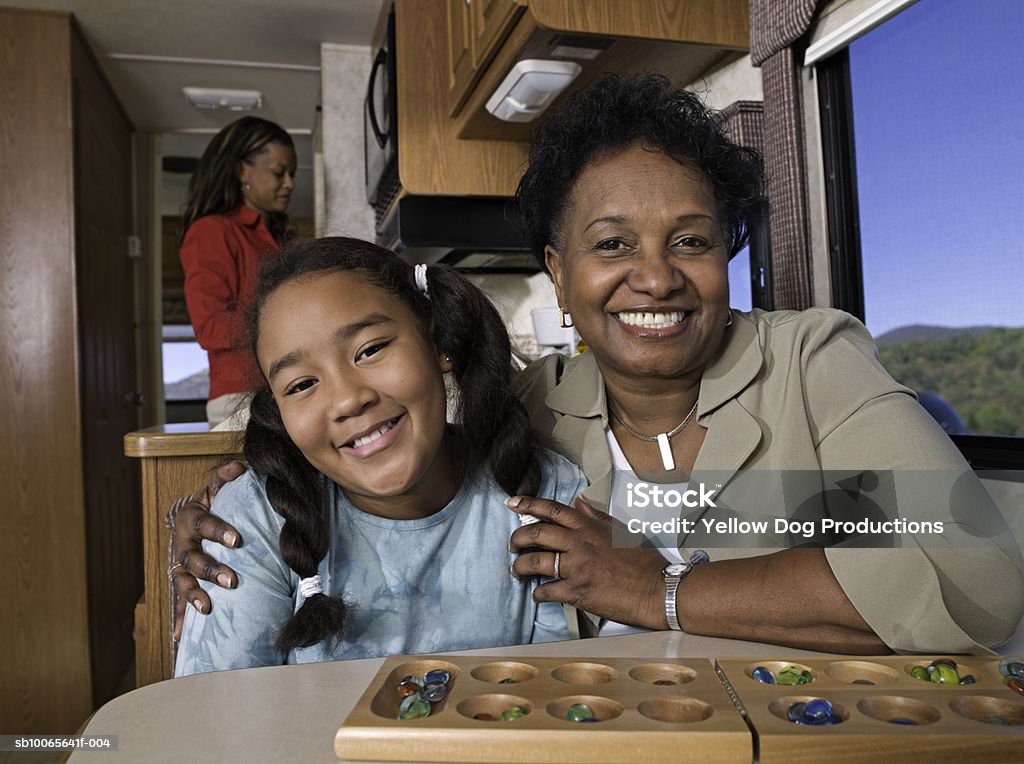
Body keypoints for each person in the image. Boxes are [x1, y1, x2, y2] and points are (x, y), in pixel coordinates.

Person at [171, 74, 1024, 656]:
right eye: (612, 244)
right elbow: (388, 443)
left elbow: (975, 574)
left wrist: (661, 592)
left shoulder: (810, 363)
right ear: (557, 269)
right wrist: (244, 493)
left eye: (690, 241)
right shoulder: (537, 411)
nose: (655, 276)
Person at [174, 237, 583, 674]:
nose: (347, 400)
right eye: (301, 385)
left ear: (438, 342)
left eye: (370, 350)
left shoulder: (547, 491)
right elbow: (222, 723)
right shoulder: (252, 519)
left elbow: (554, 707)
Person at [179, 116, 297, 426]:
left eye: (292, 174)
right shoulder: (211, 232)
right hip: (241, 398)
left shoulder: (273, 239)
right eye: (279, 172)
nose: (290, 184)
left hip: (279, 389)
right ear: (242, 170)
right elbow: (210, 327)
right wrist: (285, 322)